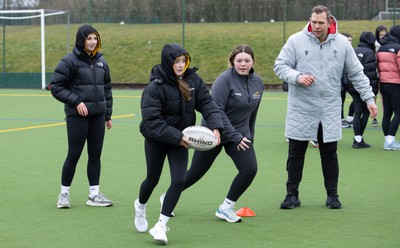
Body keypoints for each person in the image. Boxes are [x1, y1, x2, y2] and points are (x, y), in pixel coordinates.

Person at [273, 5, 378, 209]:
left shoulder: (342, 44)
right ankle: (291, 195)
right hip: (301, 107)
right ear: (309, 20)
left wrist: (369, 98)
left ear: (329, 22)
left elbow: (356, 73)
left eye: (321, 22)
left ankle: (332, 196)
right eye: (313, 22)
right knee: (296, 153)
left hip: (329, 108)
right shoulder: (296, 40)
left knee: (329, 154)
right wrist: (297, 77)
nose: (316, 26)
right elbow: (280, 65)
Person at [134, 44, 223, 244]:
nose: (181, 65)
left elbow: (207, 104)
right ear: (168, 62)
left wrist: (216, 126)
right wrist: (177, 136)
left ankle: (161, 225)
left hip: (181, 140)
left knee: (178, 180)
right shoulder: (154, 87)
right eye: (176, 61)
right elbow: (152, 121)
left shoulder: (193, 81)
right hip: (157, 139)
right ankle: (140, 206)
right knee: (152, 179)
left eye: (184, 61)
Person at [179, 44, 264, 223]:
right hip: (213, 133)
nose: (243, 64)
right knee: (195, 173)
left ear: (253, 62)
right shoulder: (224, 80)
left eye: (246, 60)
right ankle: (168, 198)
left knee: (249, 169)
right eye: (239, 60)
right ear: (232, 61)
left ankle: (225, 207)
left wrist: (250, 135)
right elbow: (216, 110)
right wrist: (234, 136)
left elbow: (252, 113)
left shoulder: (258, 82)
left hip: (240, 136)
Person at [50, 25, 113, 208]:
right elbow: (56, 87)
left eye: (95, 38)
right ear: (81, 40)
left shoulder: (102, 62)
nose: (92, 42)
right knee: (74, 154)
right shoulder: (69, 61)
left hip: (98, 117)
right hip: (77, 116)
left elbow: (106, 89)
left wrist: (108, 114)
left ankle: (94, 195)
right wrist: (76, 102)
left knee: (95, 154)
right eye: (89, 38)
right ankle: (64, 194)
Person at [348, 31, 379, 148]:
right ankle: (359, 139)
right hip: (364, 86)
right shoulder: (369, 52)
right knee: (365, 111)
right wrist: (372, 91)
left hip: (352, 86)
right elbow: (370, 73)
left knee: (357, 111)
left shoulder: (353, 50)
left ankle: (358, 138)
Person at [376, 25, 400, 150]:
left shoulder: (380, 48)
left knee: (387, 113)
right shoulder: (398, 48)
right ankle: (390, 140)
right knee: (398, 113)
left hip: (383, 84)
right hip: (396, 84)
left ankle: (387, 140)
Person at [372, 25, 389, 127]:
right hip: (375, 74)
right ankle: (374, 118)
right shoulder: (374, 46)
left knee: (384, 97)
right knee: (373, 96)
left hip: (384, 74)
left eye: (384, 34)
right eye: (380, 34)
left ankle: (385, 117)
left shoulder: (389, 45)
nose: (383, 36)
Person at [340, 32, 353, 129]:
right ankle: (340, 119)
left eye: (351, 41)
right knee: (339, 100)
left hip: (346, 82)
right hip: (338, 82)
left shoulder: (351, 52)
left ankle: (348, 117)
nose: (350, 43)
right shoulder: (338, 51)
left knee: (343, 99)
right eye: (348, 41)